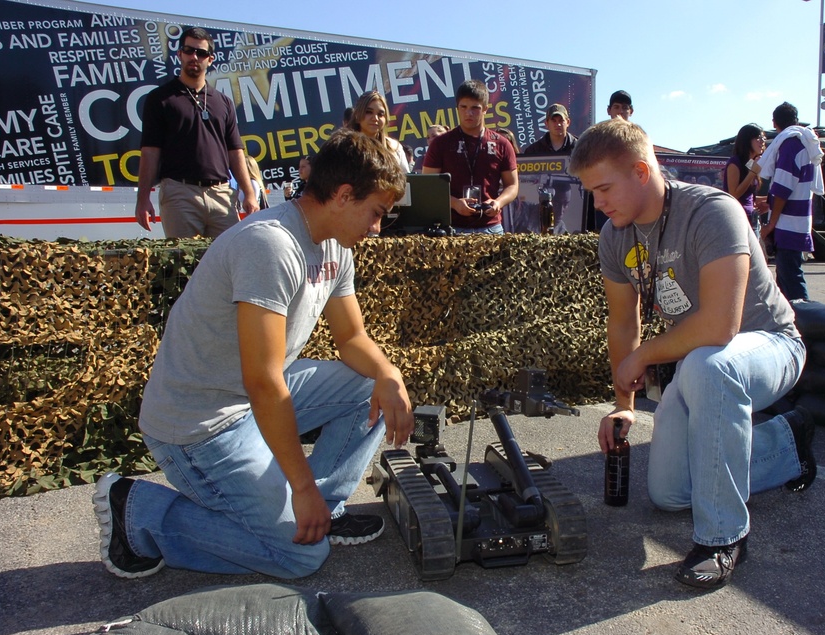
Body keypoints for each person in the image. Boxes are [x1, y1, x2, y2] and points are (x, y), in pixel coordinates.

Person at [93, 130, 414, 580]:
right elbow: (263, 382)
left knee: (371, 385)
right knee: (301, 557)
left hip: (249, 401)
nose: (377, 227)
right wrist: (299, 485)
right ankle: (138, 513)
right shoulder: (271, 244)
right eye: (376, 212)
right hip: (200, 425)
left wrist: (390, 374)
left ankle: (322, 510)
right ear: (343, 195)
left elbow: (353, 338)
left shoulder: (336, 247)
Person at [570, 119, 814, 590]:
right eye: (591, 192)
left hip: (770, 345)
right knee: (669, 494)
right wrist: (624, 406)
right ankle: (787, 446)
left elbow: (721, 326)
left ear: (641, 172)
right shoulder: (616, 235)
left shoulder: (713, 212)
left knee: (708, 364)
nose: (597, 204)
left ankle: (724, 537)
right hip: (703, 360)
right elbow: (623, 322)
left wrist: (643, 359)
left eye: (603, 189)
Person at [135, 27, 258, 238]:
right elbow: (150, 152)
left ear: (210, 59)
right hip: (180, 193)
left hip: (221, 194)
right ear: (179, 54)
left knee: (228, 263)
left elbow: (235, 151)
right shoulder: (161, 98)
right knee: (185, 265)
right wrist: (143, 198)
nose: (194, 57)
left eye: (200, 53)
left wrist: (249, 193)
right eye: (189, 50)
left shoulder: (223, 102)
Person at [422, 80, 519, 234]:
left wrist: (498, 202)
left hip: (491, 227)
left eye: (475, 108)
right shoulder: (441, 143)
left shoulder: (502, 143)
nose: (469, 113)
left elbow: (512, 186)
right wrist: (454, 203)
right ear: (457, 108)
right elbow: (427, 187)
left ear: (485, 109)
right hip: (451, 228)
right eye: (464, 107)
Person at [754, 102, 824, 301]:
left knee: (791, 281)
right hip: (799, 217)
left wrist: (771, 223)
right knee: (786, 279)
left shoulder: (790, 143)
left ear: (775, 123)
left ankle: (804, 325)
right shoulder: (805, 141)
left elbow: (783, 188)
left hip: (788, 223)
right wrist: (770, 203)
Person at [721, 123, 768, 233]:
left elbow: (748, 197)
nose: (762, 142)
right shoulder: (735, 163)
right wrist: (752, 173)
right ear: (747, 140)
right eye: (758, 138)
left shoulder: (751, 163)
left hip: (751, 220)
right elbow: (734, 194)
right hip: (736, 220)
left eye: (763, 138)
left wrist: (769, 200)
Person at [350, 90, 410, 173]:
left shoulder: (395, 148)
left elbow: (406, 181)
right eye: (369, 112)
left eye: (380, 114)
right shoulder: (346, 148)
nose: (375, 118)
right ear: (357, 115)